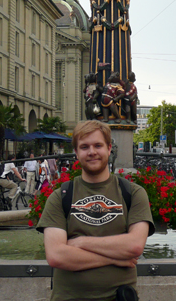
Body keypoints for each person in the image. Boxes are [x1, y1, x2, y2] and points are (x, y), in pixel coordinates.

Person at [37, 120, 154, 301]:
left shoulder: (133, 193)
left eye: (98, 145)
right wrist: (115, 258)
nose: (92, 152)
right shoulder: (61, 197)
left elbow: (134, 246)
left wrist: (81, 242)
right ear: (76, 153)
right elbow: (56, 256)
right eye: (84, 147)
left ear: (108, 148)